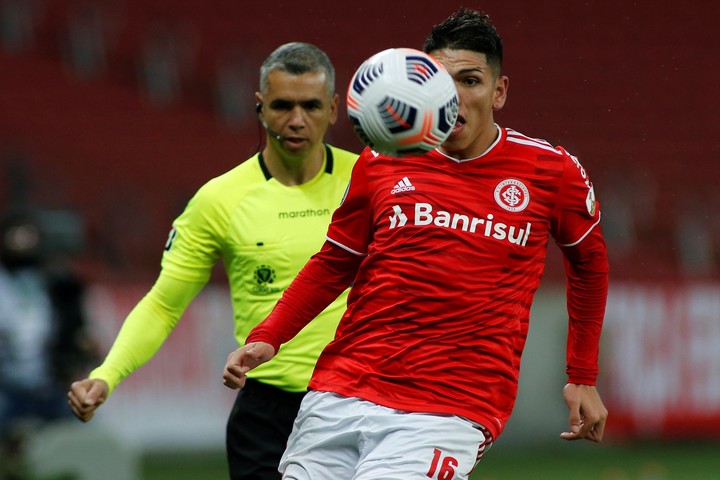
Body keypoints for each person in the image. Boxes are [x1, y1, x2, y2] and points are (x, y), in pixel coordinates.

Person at [223, 8, 609, 480]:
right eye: (442, 84)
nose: (455, 99)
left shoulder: (550, 172)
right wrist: (268, 336)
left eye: (471, 81)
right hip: (343, 389)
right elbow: (333, 263)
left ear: (499, 91)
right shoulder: (382, 162)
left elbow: (589, 264)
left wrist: (582, 376)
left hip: (449, 408)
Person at [67, 42, 357, 479]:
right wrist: (107, 374)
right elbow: (164, 303)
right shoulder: (219, 199)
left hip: (357, 403)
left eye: (311, 106)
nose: (297, 120)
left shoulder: (369, 184)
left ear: (334, 108)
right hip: (267, 413)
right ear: (259, 107)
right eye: (282, 105)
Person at [0, 208, 96, 478]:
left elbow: (76, 332)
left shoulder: (54, 285)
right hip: (7, 387)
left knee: (83, 445)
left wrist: (81, 344)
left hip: (48, 387)